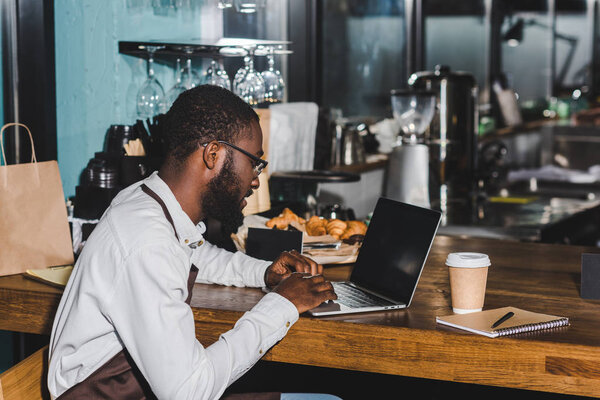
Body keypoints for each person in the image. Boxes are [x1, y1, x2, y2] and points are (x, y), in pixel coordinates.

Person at [48, 85, 339, 399]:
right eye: (254, 162)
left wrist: (263, 274)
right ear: (213, 154)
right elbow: (190, 391)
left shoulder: (145, 199)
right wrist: (282, 304)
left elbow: (197, 253)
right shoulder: (147, 242)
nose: (256, 179)